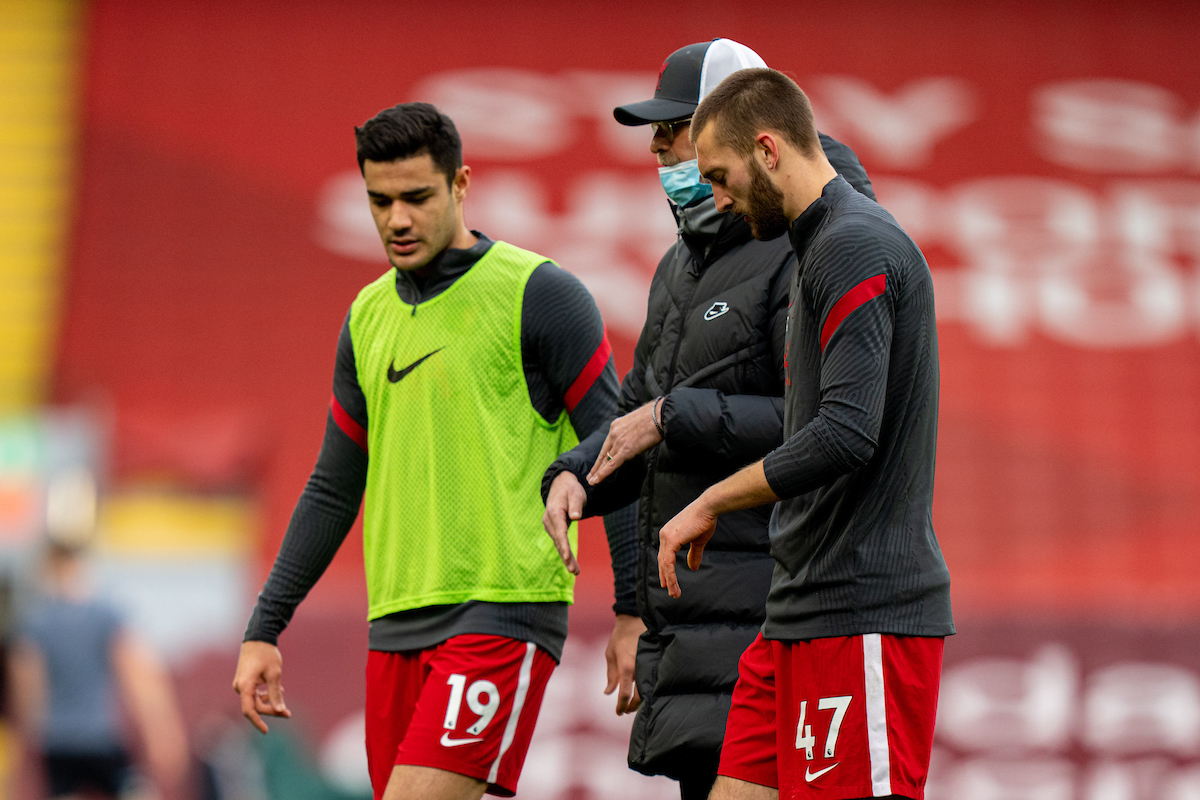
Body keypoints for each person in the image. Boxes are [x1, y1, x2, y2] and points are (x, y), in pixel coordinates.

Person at [231, 102, 633, 800]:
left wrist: (634, 610)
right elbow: (333, 487)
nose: (397, 220)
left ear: (460, 185)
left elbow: (622, 448)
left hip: (503, 608)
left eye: (416, 197)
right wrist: (264, 628)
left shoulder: (541, 295)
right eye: (379, 201)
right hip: (395, 622)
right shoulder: (366, 318)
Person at [541, 40, 876, 800]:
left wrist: (675, 416)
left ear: (741, 129)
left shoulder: (811, 249)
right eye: (655, 137)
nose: (660, 152)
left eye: (676, 131)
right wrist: (574, 479)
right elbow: (637, 416)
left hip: (780, 613)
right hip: (694, 633)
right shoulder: (678, 266)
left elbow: (828, 424)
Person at [657, 69, 954, 800]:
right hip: (796, 612)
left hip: (863, 614)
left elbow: (848, 433)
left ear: (767, 149)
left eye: (721, 177)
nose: (716, 197)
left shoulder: (853, 245)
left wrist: (714, 500)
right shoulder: (817, 244)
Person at [9, 539, 188, 800]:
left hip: (57, 741)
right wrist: (163, 732)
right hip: (100, 737)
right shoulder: (105, 614)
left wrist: (25, 743)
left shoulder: (36, 621)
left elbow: (27, 690)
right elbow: (139, 677)